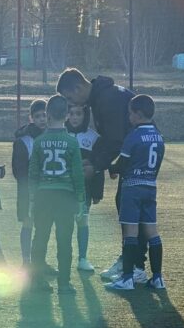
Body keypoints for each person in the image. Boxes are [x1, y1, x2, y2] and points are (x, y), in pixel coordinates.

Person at [56, 67, 138, 282]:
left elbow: (115, 140)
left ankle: (134, 264)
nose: (71, 101)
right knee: (126, 206)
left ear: (78, 87)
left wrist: (97, 165)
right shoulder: (101, 96)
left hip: (138, 154)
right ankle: (132, 260)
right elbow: (110, 138)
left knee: (129, 207)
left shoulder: (106, 100)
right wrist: (99, 161)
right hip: (134, 153)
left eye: (70, 96)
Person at [105, 94, 166, 292]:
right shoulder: (159, 136)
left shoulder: (133, 136)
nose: (129, 117)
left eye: (131, 113)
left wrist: (110, 168)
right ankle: (157, 278)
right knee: (152, 233)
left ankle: (128, 278)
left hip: (132, 188)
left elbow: (121, 165)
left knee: (130, 233)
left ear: (138, 114)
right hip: (150, 187)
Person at [28, 94, 86, 295]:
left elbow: (33, 173)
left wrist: (31, 198)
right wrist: (80, 200)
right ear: (67, 115)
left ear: (48, 114)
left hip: (44, 195)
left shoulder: (39, 141)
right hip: (65, 196)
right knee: (64, 241)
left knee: (40, 238)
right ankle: (64, 283)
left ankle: (37, 281)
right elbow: (78, 174)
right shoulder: (71, 142)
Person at [65, 103, 104, 272]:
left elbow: (98, 166)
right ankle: (64, 258)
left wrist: (97, 192)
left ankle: (82, 258)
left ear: (85, 115)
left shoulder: (93, 137)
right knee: (64, 223)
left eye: (78, 114)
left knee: (82, 221)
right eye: (71, 113)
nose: (74, 117)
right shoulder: (60, 134)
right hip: (63, 188)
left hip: (84, 190)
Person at [11, 99, 47, 267]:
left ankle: (40, 261)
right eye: (38, 116)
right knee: (28, 222)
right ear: (31, 118)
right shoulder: (23, 140)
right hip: (28, 191)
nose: (42, 119)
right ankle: (26, 262)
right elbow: (19, 171)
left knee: (43, 227)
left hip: (47, 191)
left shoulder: (52, 136)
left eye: (45, 115)